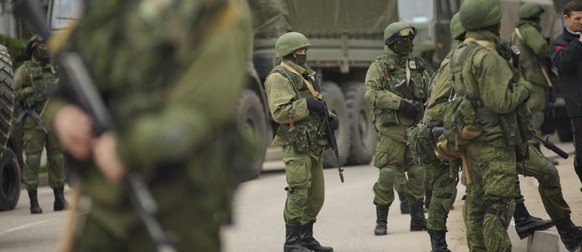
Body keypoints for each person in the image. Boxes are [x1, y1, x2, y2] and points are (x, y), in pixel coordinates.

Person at [45, 0, 253, 251]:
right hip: (106, 210)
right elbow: (73, 76)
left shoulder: (218, 10)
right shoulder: (110, 7)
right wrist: (62, 114)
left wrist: (126, 149)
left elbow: (199, 114)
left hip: (178, 210)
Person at [442, 0, 531, 250]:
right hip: (495, 141)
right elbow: (501, 102)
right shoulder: (487, 56)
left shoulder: (460, 53)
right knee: (498, 206)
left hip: (473, 141)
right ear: (492, 22)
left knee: (477, 206)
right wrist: (524, 87)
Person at [264, 31, 337, 252]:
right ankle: (292, 242)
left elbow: (318, 105)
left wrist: (331, 118)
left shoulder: (305, 75)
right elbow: (280, 112)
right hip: (296, 144)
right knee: (298, 193)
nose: (304, 55)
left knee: (316, 196)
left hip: (313, 144)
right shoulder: (279, 77)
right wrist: (307, 106)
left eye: (305, 50)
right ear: (288, 54)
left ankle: (306, 238)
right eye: (300, 52)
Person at [365, 21, 430, 236]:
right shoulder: (380, 66)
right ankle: (381, 221)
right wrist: (400, 105)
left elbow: (432, 90)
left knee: (418, 173)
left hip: (415, 129)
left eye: (410, 40)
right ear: (391, 42)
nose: (407, 44)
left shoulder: (418, 64)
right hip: (391, 131)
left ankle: (418, 218)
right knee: (387, 174)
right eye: (402, 40)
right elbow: (371, 94)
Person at [13, 36, 66, 214]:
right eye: (43, 46)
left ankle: (59, 198)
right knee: (33, 161)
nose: (46, 48)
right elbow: (12, 94)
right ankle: (33, 201)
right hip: (33, 121)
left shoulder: (55, 69)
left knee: (57, 159)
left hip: (54, 121)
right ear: (35, 48)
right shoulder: (24, 70)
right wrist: (30, 91)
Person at [511, 3, 553, 155]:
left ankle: (533, 153)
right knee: (535, 114)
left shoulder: (517, 31)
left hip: (524, 77)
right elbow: (541, 48)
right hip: (533, 78)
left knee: (530, 113)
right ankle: (536, 154)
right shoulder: (529, 30)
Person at [551, 1, 582, 187]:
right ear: (566, 19)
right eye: (577, 18)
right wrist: (578, 44)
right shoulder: (560, 43)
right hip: (578, 107)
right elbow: (563, 63)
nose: (581, 22)